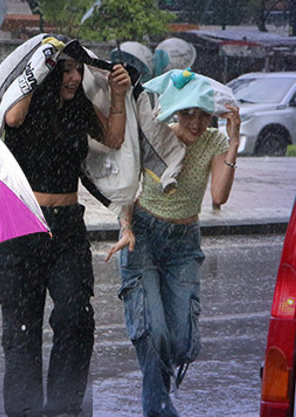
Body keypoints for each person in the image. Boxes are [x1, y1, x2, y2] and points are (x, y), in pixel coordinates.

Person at [0, 46, 132, 416]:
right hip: (22, 225)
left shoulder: (78, 108)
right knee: (22, 331)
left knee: (75, 319)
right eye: (66, 70)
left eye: (78, 71)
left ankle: (63, 409)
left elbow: (113, 140)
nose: (73, 78)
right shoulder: (27, 105)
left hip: (68, 228)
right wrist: (39, 69)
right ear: (50, 72)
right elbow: (10, 117)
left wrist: (117, 97)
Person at [106, 70, 241, 416]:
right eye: (188, 113)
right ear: (176, 112)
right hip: (144, 236)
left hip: (183, 244)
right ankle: (159, 408)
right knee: (153, 333)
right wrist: (126, 227)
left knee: (180, 341)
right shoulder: (157, 136)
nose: (195, 123)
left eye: (203, 114)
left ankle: (157, 395)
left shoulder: (213, 143)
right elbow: (126, 183)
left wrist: (234, 141)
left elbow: (219, 196)